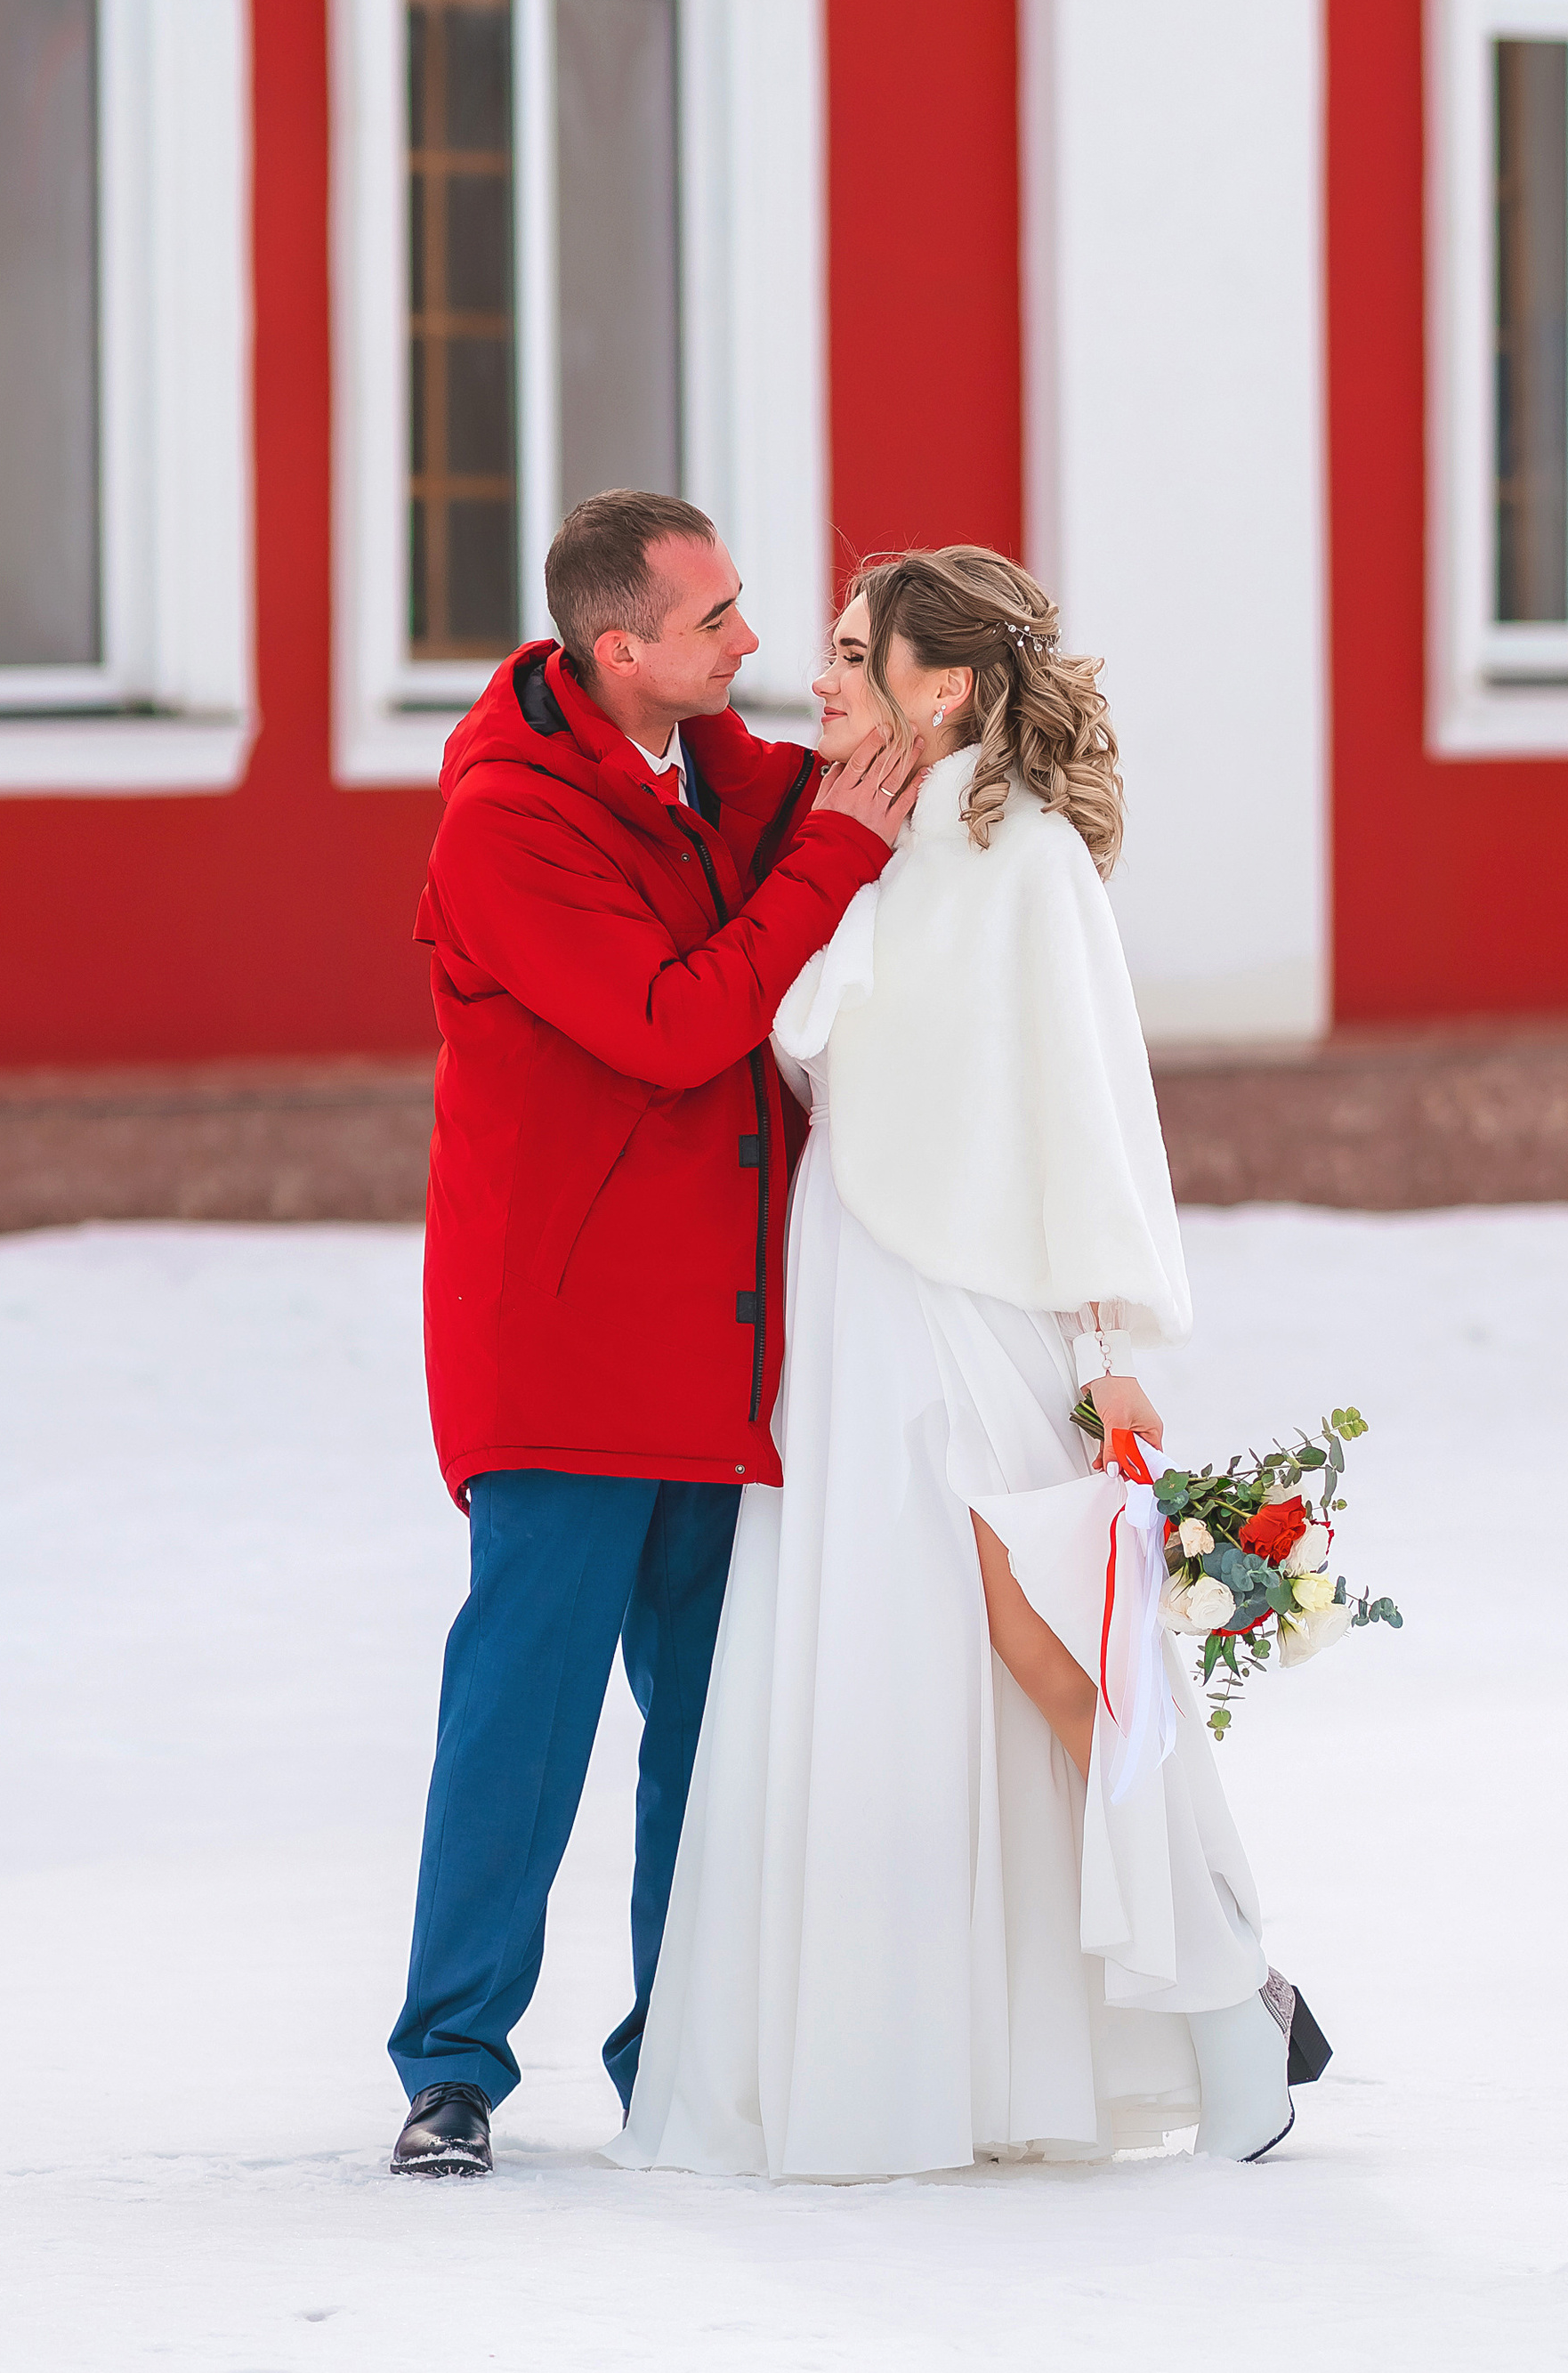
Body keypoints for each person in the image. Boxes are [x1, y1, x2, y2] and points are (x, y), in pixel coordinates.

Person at [610, 546, 1328, 2182]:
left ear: (947, 684)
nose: (824, 677)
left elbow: (1089, 1113)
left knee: (1062, 1663)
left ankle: (1236, 2019)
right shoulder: (860, 851)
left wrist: (1109, 1345)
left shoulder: (1032, 869)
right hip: (850, 1310)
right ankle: (915, 2060)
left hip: (982, 1307)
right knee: (880, 1667)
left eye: (859, 655)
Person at [388, 491, 918, 2178]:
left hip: (717, 1343)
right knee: (522, 1728)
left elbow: (851, 785)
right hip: (561, 1355)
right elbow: (678, 1026)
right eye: (717, 624)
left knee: (712, 1721)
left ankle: (670, 2052)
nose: (751, 645)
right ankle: (453, 2064)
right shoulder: (507, 823)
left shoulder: (702, 763)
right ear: (622, 651)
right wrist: (837, 853)